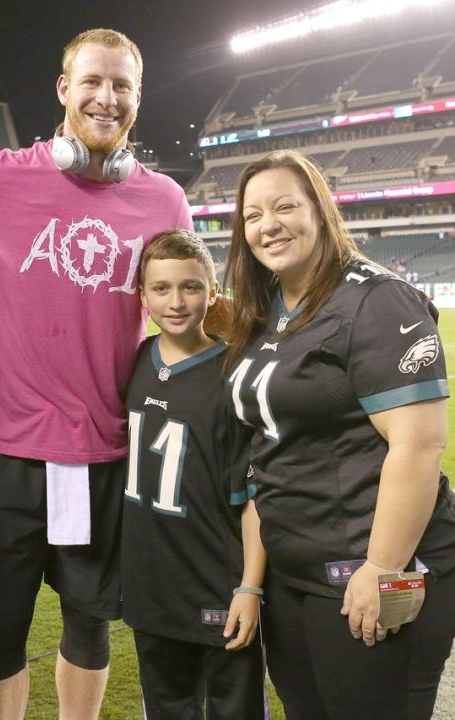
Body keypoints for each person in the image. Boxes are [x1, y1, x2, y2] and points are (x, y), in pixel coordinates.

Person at [0, 27, 193, 720]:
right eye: (93, 82)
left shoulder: (166, 199)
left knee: (91, 621)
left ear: (138, 98)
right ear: (63, 90)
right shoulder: (0, 176)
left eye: (122, 86)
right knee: (3, 624)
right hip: (9, 448)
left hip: (106, 450)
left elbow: (186, 305)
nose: (107, 99)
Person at [221, 150, 455, 720]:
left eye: (286, 205)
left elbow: (419, 444)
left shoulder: (377, 299)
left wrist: (382, 567)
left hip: (371, 562)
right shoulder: (268, 305)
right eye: (253, 215)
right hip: (296, 567)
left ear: (320, 208)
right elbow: (273, 447)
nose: (269, 224)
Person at [121, 229, 265, 719]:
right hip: (151, 585)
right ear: (142, 295)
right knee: (166, 708)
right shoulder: (138, 360)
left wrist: (249, 587)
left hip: (216, 585)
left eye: (191, 287)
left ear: (212, 292)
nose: (176, 301)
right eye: (161, 289)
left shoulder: (232, 375)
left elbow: (255, 497)